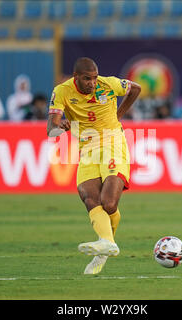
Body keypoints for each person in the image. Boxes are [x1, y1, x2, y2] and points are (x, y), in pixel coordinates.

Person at [46, 57, 141, 275]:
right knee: (89, 197)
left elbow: (136, 88)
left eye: (95, 78)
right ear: (76, 77)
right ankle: (106, 245)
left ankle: (104, 248)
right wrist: (60, 126)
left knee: (108, 204)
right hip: (87, 148)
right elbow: (51, 129)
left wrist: (119, 114)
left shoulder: (108, 85)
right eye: (87, 79)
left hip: (113, 142)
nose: (92, 83)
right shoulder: (61, 92)